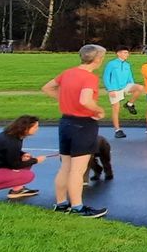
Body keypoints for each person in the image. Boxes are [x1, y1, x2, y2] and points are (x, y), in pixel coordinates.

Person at [41, 45, 109, 218]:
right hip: (83, 124)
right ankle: (78, 207)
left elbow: (47, 88)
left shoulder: (68, 72)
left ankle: (61, 203)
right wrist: (98, 110)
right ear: (97, 59)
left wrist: (64, 99)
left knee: (65, 166)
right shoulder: (89, 78)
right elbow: (85, 100)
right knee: (77, 170)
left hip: (66, 122)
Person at [102, 47, 145, 139]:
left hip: (125, 85)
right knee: (116, 109)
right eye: (125, 53)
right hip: (115, 88)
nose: (127, 55)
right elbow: (106, 77)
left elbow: (130, 77)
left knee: (140, 88)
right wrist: (110, 89)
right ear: (118, 53)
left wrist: (132, 85)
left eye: (127, 53)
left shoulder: (127, 65)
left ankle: (129, 104)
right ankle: (117, 130)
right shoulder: (111, 64)